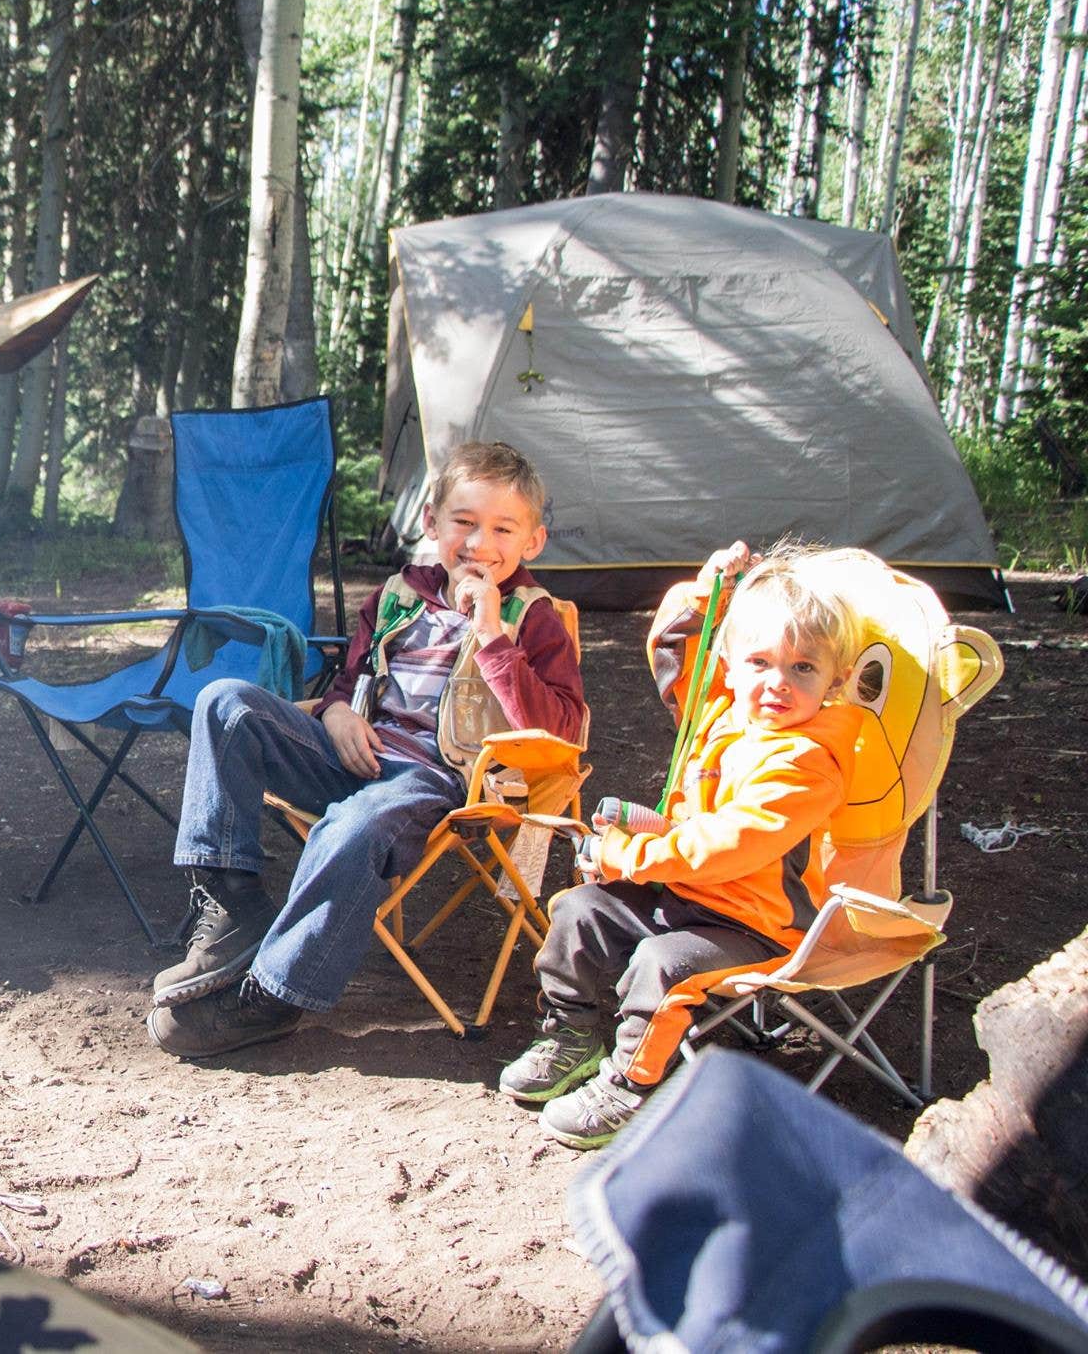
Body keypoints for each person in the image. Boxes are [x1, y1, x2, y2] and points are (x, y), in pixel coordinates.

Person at [147, 440, 587, 1059]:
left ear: (532, 542)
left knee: (354, 824)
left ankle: (275, 996)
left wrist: (491, 636)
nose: (479, 544)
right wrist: (333, 713)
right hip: (354, 754)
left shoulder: (533, 617)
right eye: (464, 522)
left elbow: (562, 730)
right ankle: (231, 901)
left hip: (437, 779)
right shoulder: (399, 594)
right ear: (431, 523)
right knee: (225, 702)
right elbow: (352, 681)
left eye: (501, 529)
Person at [499, 540, 866, 1149]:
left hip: (755, 924)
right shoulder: (722, 714)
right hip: (683, 893)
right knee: (579, 911)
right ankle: (572, 1033)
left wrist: (629, 856)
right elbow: (670, 646)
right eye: (759, 663)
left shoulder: (809, 762)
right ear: (732, 661)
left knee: (662, 965)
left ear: (837, 680)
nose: (777, 683)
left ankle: (632, 1085)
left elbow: (728, 847)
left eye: (803, 668)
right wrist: (709, 590)